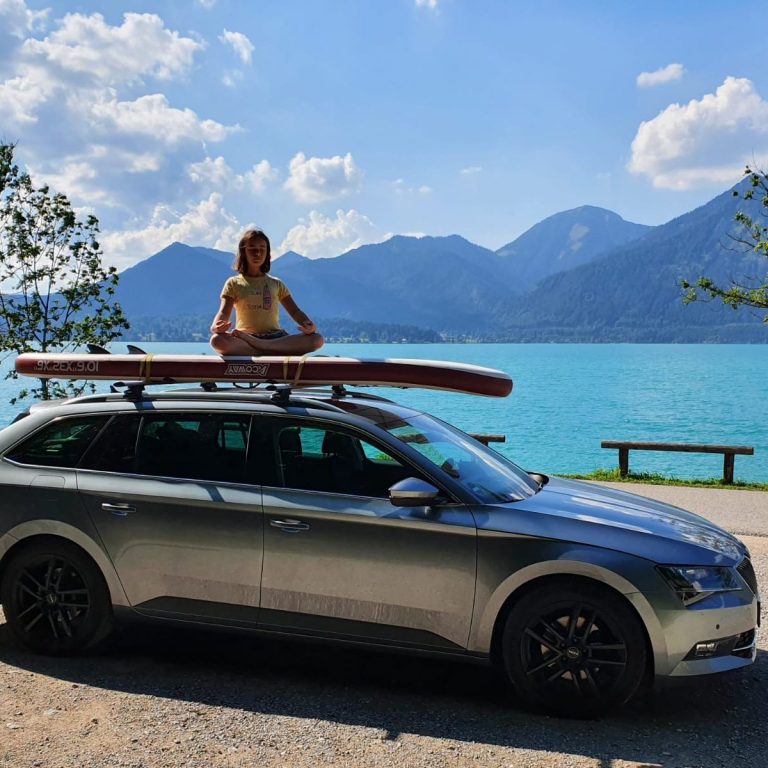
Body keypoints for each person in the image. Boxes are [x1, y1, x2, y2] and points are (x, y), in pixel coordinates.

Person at [210, 228, 324, 356]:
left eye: (262, 249)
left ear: (268, 254)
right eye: (252, 249)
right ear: (243, 252)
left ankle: (261, 348)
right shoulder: (233, 283)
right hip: (245, 338)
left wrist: (309, 325)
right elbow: (224, 312)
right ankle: (270, 350)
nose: (257, 253)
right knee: (217, 340)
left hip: (276, 338)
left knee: (317, 339)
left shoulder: (276, 283)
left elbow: (295, 311)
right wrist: (216, 327)